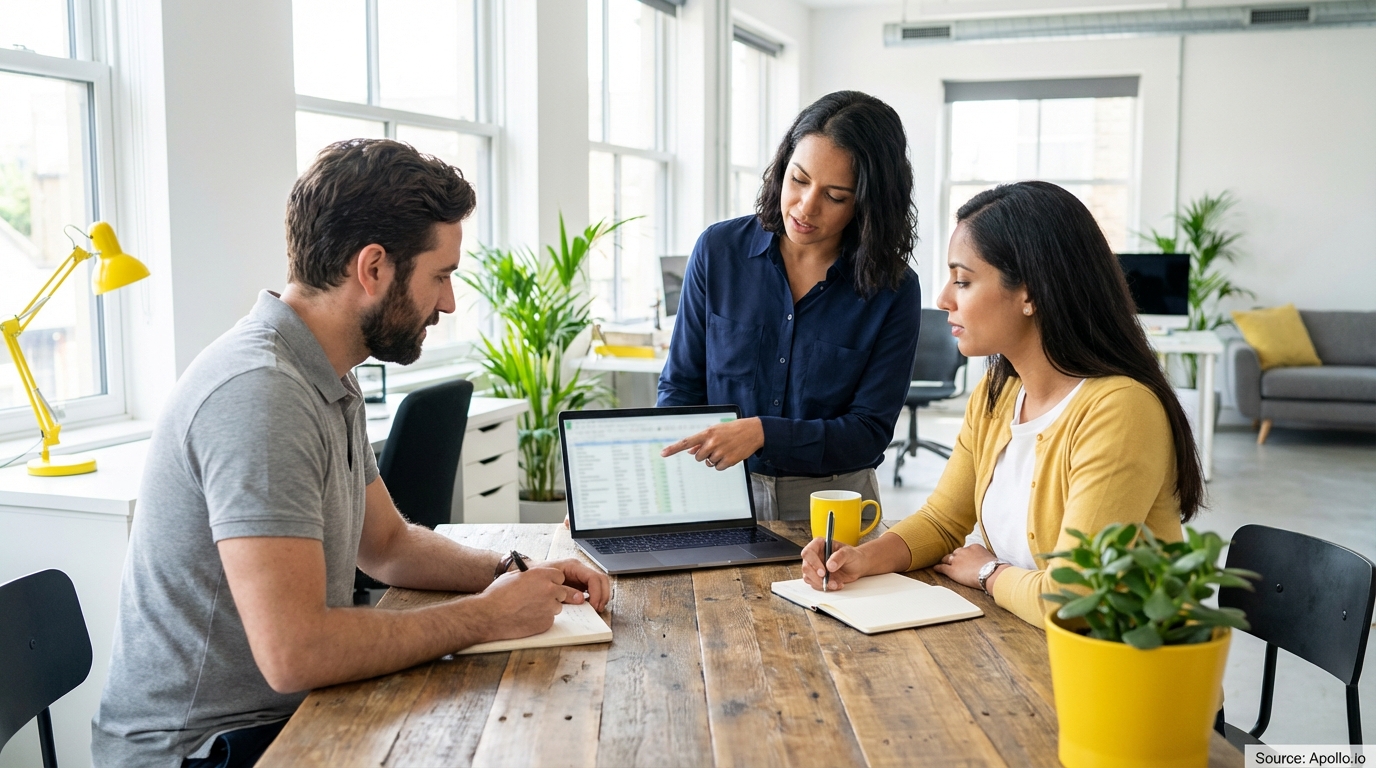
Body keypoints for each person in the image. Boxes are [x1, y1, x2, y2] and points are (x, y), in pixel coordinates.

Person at [92, 139, 610, 768]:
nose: (448, 303)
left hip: (287, 716)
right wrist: (484, 617)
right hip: (206, 750)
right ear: (372, 269)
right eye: (440, 276)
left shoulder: (328, 371)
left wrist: (518, 571)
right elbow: (296, 652)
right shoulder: (261, 393)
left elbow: (387, 545)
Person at [799, 181, 1204, 627]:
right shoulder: (999, 394)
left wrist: (990, 573)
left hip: (1125, 679)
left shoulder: (1120, 410)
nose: (943, 299)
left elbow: (1073, 599)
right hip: (1031, 652)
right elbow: (942, 521)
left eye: (963, 280)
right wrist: (861, 557)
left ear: (1030, 293)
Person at [657, 91, 921, 520]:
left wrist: (764, 433)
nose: (805, 206)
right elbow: (679, 388)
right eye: (798, 180)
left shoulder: (893, 289)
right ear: (782, 169)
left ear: (868, 204)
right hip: (721, 491)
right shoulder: (719, 251)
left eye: (835, 196)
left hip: (833, 502)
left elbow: (869, 432)